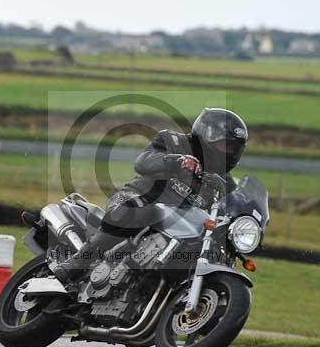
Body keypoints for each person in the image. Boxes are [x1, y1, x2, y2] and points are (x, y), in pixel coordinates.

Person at [53, 107, 248, 284]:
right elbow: (143, 163)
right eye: (225, 146)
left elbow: (234, 204)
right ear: (207, 135)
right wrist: (175, 162)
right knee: (130, 212)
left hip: (176, 226)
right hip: (139, 198)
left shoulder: (224, 182)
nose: (229, 153)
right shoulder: (175, 142)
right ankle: (76, 265)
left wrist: (246, 217)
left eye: (234, 149)